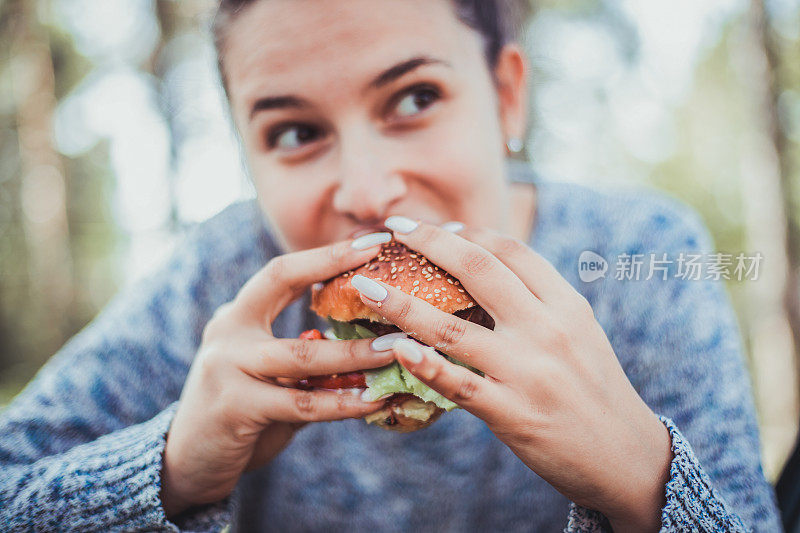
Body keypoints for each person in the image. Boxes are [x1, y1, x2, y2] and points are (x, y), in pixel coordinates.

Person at [0, 0, 782, 531]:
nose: (369, 191)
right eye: (294, 131)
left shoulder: (643, 257)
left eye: (413, 99)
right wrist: (172, 466)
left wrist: (648, 481)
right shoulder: (224, 280)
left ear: (507, 96)